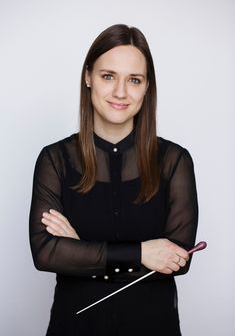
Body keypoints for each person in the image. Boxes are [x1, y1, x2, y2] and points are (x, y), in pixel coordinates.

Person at [29, 24, 198, 336]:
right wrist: (143, 253)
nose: (121, 92)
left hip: (153, 326)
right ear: (88, 76)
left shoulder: (174, 161)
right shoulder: (55, 159)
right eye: (109, 76)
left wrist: (80, 251)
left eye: (134, 80)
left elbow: (178, 260)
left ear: (147, 87)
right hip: (76, 325)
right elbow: (46, 253)